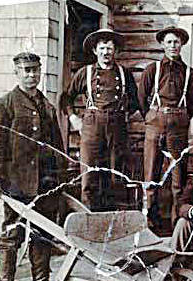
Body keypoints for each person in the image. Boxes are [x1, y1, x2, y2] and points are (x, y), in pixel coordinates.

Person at [0, 52, 68, 281]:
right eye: (26, 70)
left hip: (45, 184)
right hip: (16, 184)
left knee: (41, 234)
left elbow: (58, 146)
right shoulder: (5, 105)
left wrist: (60, 176)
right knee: (11, 236)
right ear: (16, 73)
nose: (31, 75)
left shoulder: (47, 106)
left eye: (35, 70)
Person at [59, 28, 139, 211]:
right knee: (89, 176)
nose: (106, 52)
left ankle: (110, 222)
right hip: (92, 126)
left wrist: (124, 115)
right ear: (95, 51)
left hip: (117, 128)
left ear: (115, 51)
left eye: (109, 48)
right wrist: (73, 118)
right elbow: (66, 98)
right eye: (102, 48)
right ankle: (89, 220)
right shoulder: (85, 73)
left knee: (114, 175)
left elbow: (135, 101)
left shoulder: (124, 73)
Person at [138, 25, 193, 229]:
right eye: (169, 42)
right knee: (150, 175)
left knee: (177, 177)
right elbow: (141, 99)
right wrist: (153, 117)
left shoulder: (190, 73)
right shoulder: (152, 70)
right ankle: (149, 222)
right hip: (155, 124)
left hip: (178, 128)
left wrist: (178, 120)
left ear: (181, 45)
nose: (173, 45)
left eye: (176, 42)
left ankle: (176, 223)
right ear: (163, 45)